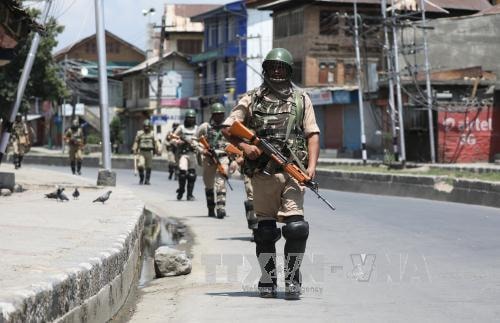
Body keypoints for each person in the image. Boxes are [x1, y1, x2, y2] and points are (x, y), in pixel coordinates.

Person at [221, 48, 320, 300]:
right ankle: (268, 278)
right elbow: (228, 128)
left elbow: (312, 134)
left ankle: (292, 279)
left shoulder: (301, 99)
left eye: (282, 67)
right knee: (265, 231)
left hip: (293, 172)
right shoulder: (251, 98)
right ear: (266, 69)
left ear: (289, 70)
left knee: (297, 228)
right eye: (273, 67)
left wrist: (310, 169)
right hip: (262, 174)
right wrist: (246, 147)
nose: (277, 71)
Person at [197, 102, 230, 218]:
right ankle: (211, 208)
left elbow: (234, 143)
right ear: (212, 115)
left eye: (221, 114)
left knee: (221, 183)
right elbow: (195, 141)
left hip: (223, 158)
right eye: (216, 114)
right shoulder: (205, 127)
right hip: (209, 159)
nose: (219, 116)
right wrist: (203, 151)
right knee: (209, 185)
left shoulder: (228, 127)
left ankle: (221, 207)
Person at [173, 109, 199, 201]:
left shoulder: (197, 128)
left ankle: (190, 194)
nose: (191, 120)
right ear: (186, 119)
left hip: (193, 153)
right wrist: (178, 142)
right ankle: (181, 190)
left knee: (192, 175)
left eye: (192, 118)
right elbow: (173, 138)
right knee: (183, 173)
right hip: (183, 153)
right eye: (189, 118)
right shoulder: (181, 128)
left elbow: (201, 140)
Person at [132, 119, 159, 185]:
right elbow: (136, 142)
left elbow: (156, 142)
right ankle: (141, 178)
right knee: (140, 165)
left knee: (149, 167)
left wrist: (157, 149)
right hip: (142, 152)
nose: (146, 127)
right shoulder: (139, 133)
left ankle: (147, 180)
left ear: (150, 126)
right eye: (145, 126)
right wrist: (134, 149)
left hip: (149, 152)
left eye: (148, 126)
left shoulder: (152, 133)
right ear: (143, 126)